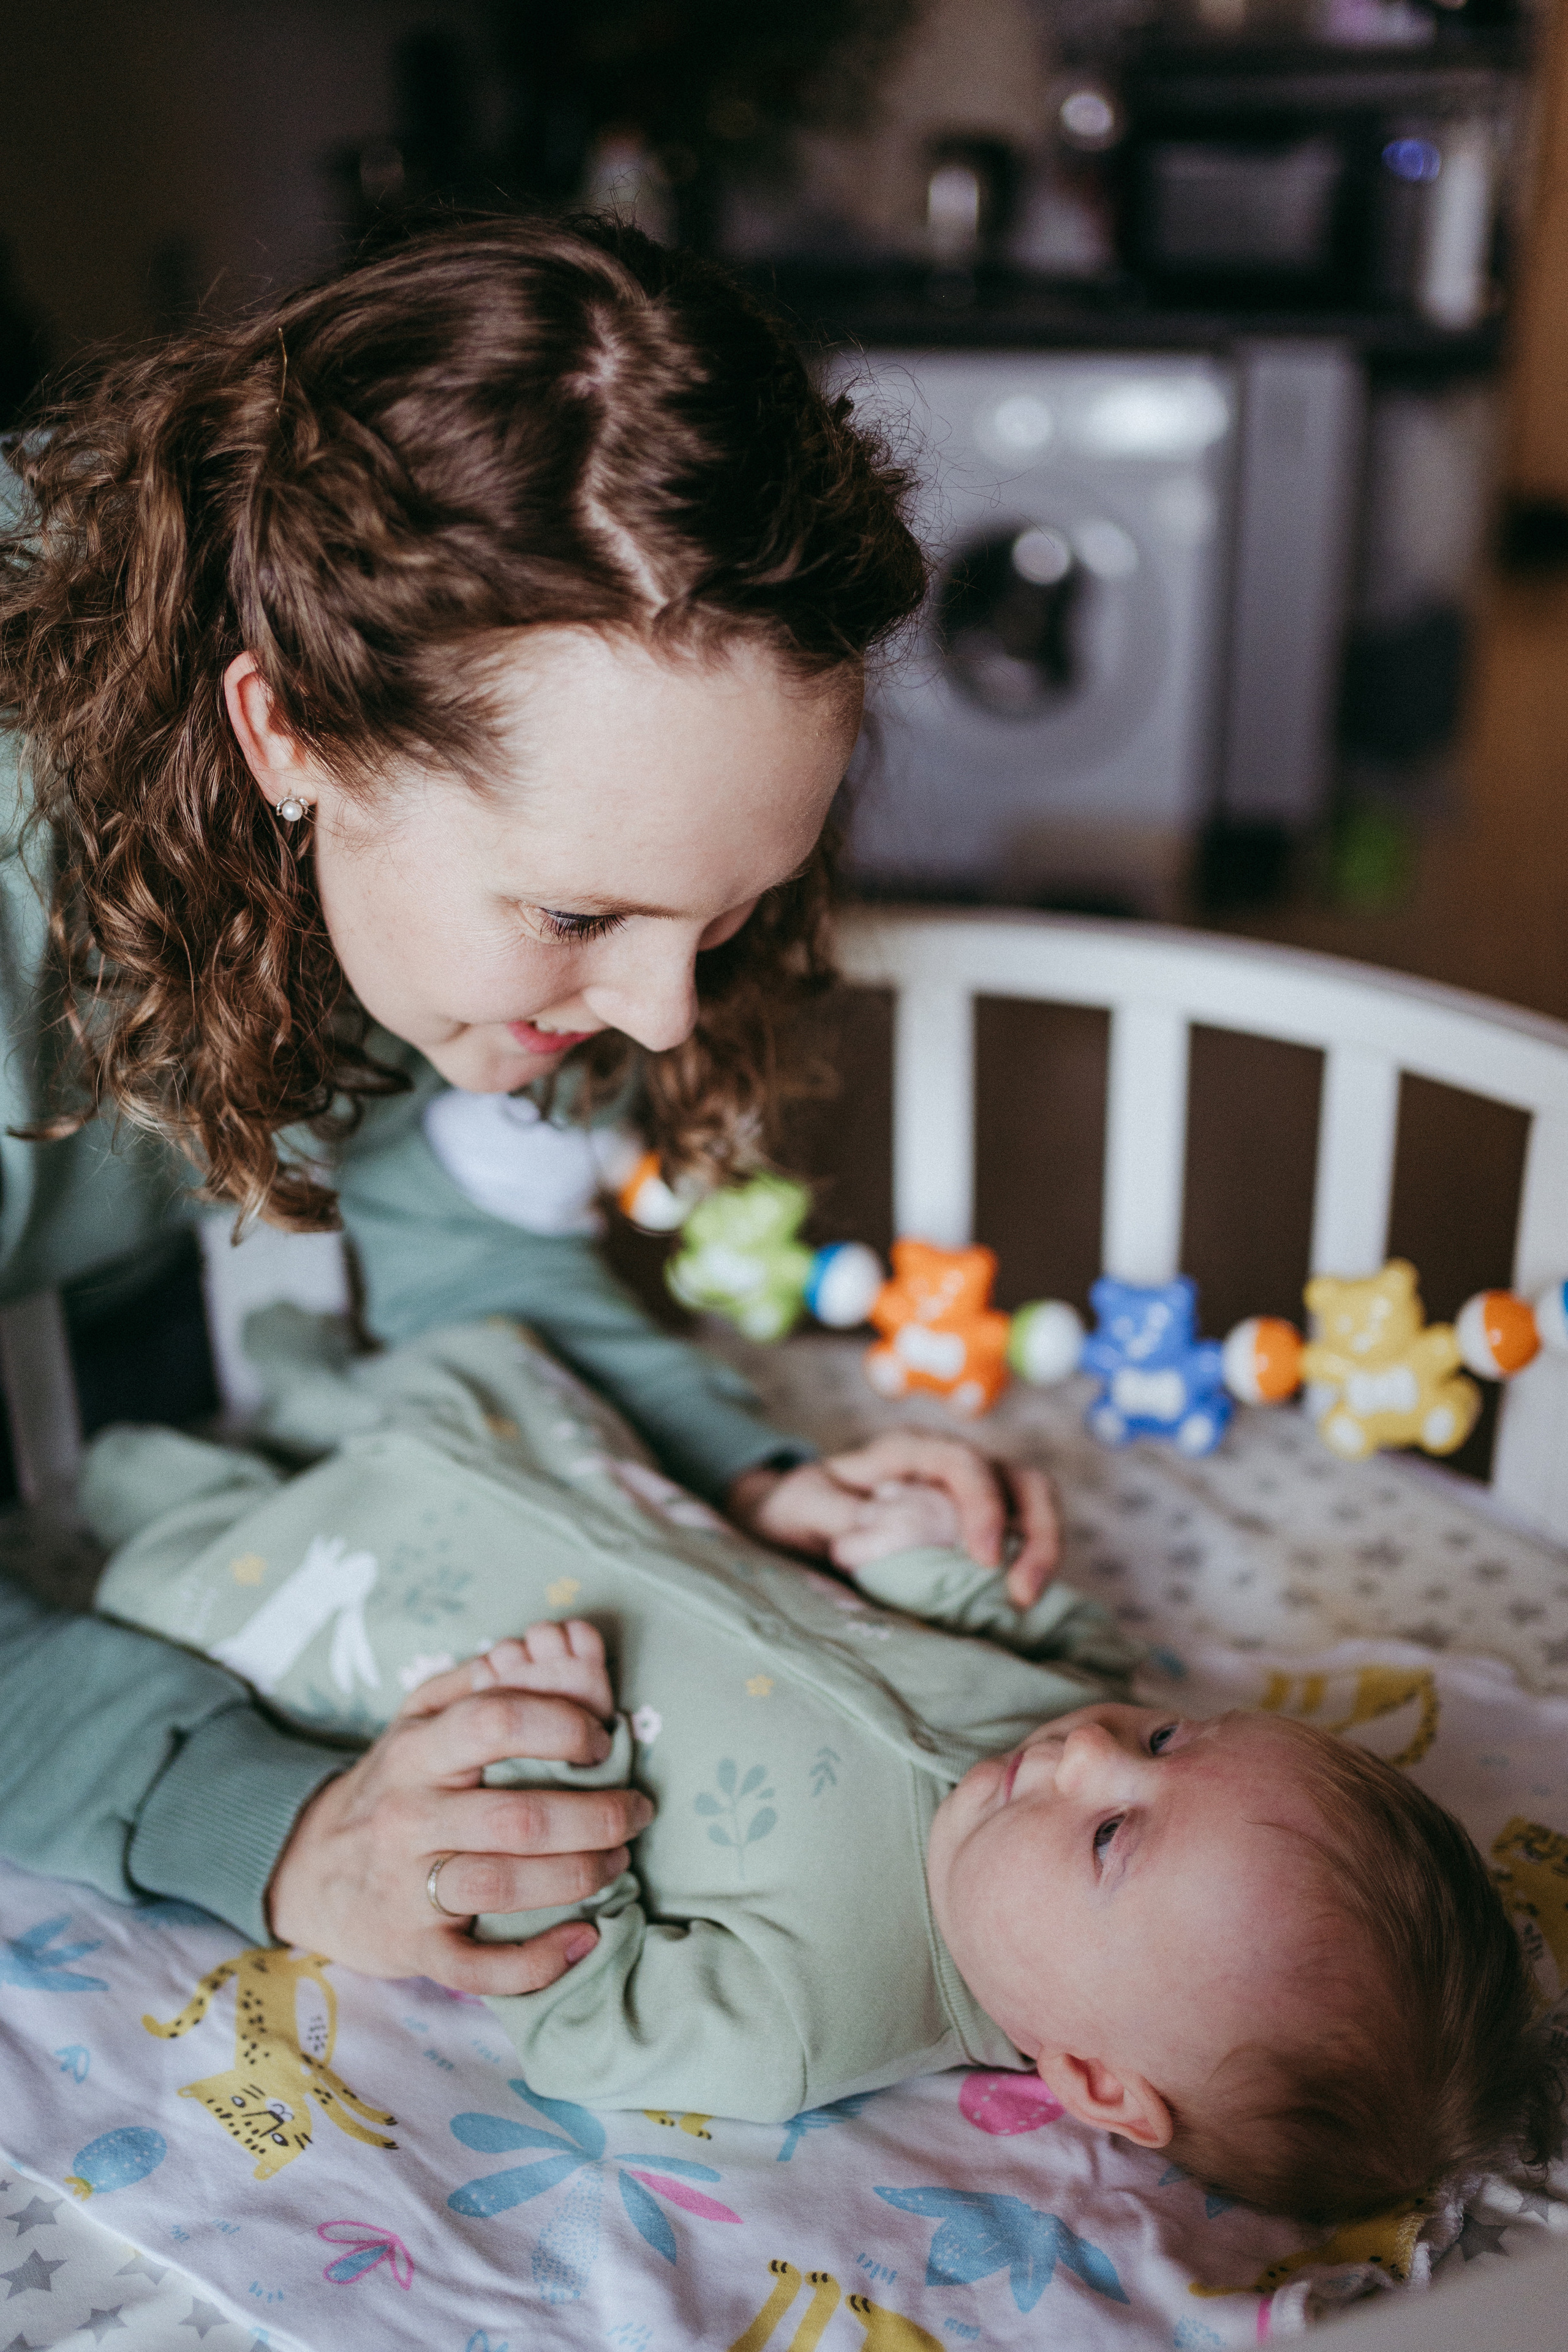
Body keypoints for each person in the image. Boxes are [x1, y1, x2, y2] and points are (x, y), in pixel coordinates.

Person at [0, 215, 1057, 1986]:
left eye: (723, 918)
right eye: (581, 917)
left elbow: (457, 1228)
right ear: (288, 739)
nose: (662, 1004)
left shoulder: (429, 838)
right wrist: (262, 1818)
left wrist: (745, 1477)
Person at [83, 1310, 1555, 2220]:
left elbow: (592, 2023)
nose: (1091, 1752)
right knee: (438, 1380)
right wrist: (923, 1558)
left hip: (400, 1618)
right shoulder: (1046, 1735)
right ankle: (291, 1371)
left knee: (163, 1546)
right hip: (566, 1489)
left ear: (1098, 2080)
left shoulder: (818, 2010)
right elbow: (1038, 1642)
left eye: (1113, 1838)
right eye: (1168, 1743)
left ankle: (119, 1479)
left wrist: (558, 1827)